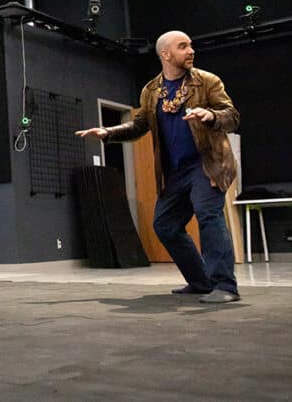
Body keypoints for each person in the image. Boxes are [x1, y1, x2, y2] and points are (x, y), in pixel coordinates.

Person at [76, 30, 240, 304]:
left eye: (191, 45)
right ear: (166, 54)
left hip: (206, 164)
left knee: (208, 214)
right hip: (175, 171)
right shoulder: (151, 91)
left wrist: (210, 115)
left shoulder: (207, 82)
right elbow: (140, 125)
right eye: (183, 46)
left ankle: (225, 285)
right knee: (165, 225)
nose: (191, 51)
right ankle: (200, 282)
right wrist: (109, 132)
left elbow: (232, 116)